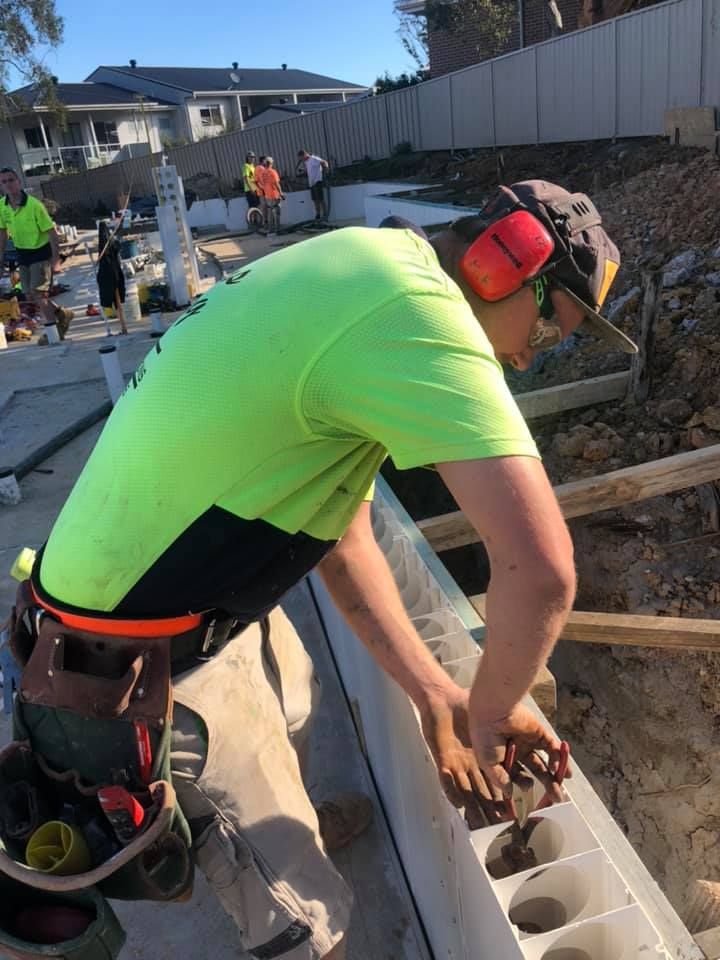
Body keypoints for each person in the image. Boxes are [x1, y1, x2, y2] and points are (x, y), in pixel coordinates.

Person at [17, 179, 635, 960]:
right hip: (133, 663)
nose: (523, 358)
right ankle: (288, 884)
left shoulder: (367, 270)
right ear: (500, 265)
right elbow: (543, 572)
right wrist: (492, 709)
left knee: (300, 703)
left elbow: (342, 538)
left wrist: (438, 694)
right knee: (306, 920)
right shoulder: (416, 316)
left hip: (191, 588)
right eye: (547, 332)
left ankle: (298, 815)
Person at [0, 167, 60, 327]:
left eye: (11, 180)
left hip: (40, 253)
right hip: (23, 254)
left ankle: (54, 332)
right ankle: (62, 314)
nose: (8, 184)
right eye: (4, 181)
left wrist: (56, 260)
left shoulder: (34, 205)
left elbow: (52, 233)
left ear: (19, 182)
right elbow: (2, 233)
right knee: (28, 294)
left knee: (38, 293)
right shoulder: (2, 206)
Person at [96, 221, 128, 335]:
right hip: (112, 272)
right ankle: (123, 326)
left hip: (112, 272)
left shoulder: (108, 246)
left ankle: (123, 326)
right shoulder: (107, 246)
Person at [298, 149, 329, 220]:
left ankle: (325, 215)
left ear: (304, 155)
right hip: (311, 183)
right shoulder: (306, 161)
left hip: (317, 181)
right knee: (315, 200)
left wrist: (326, 170)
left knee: (320, 199)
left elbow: (324, 162)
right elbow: (309, 169)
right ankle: (318, 215)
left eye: (301, 158)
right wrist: (303, 170)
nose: (301, 160)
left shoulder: (314, 158)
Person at [262, 157, 285, 235]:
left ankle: (270, 230)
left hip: (267, 196)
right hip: (275, 195)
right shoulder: (272, 172)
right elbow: (276, 183)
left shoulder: (263, 173)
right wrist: (281, 193)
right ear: (271, 163)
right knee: (277, 213)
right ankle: (277, 229)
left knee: (270, 213)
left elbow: (263, 184)